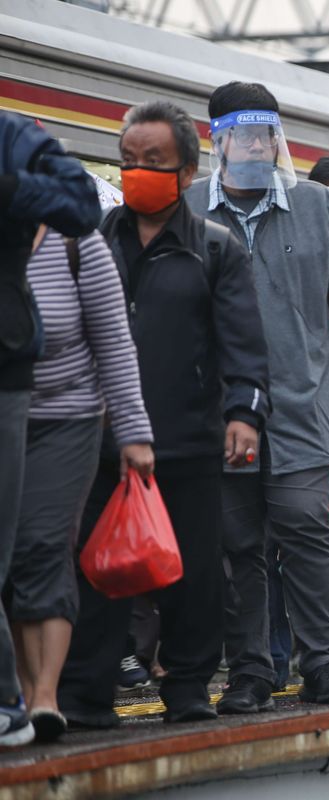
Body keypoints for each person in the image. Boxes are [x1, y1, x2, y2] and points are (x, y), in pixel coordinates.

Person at [60, 99, 270, 728]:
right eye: (128, 161)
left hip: (188, 441)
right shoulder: (94, 242)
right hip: (97, 440)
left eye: (153, 161)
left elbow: (243, 343)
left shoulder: (215, 249)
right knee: (97, 569)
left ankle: (185, 688)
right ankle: (87, 694)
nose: (137, 173)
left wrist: (244, 415)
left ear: (185, 171)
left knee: (193, 572)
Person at [184, 82, 329, 711]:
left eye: (263, 134)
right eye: (239, 134)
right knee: (237, 543)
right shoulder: (188, 207)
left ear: (277, 138)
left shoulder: (319, 203)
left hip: (306, 402)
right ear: (216, 139)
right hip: (217, 411)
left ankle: (322, 663)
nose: (252, 145)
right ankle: (251, 671)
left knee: (304, 531)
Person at [14, 223, 152, 741]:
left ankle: (45, 697)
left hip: (66, 419)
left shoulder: (77, 243)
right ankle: (20, 693)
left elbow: (114, 341)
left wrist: (134, 432)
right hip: (7, 413)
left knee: (44, 545)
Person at [0, 111, 101, 747]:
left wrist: (9, 189)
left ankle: (27, 699)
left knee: (33, 549)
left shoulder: (14, 140)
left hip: (35, 391)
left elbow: (79, 203)